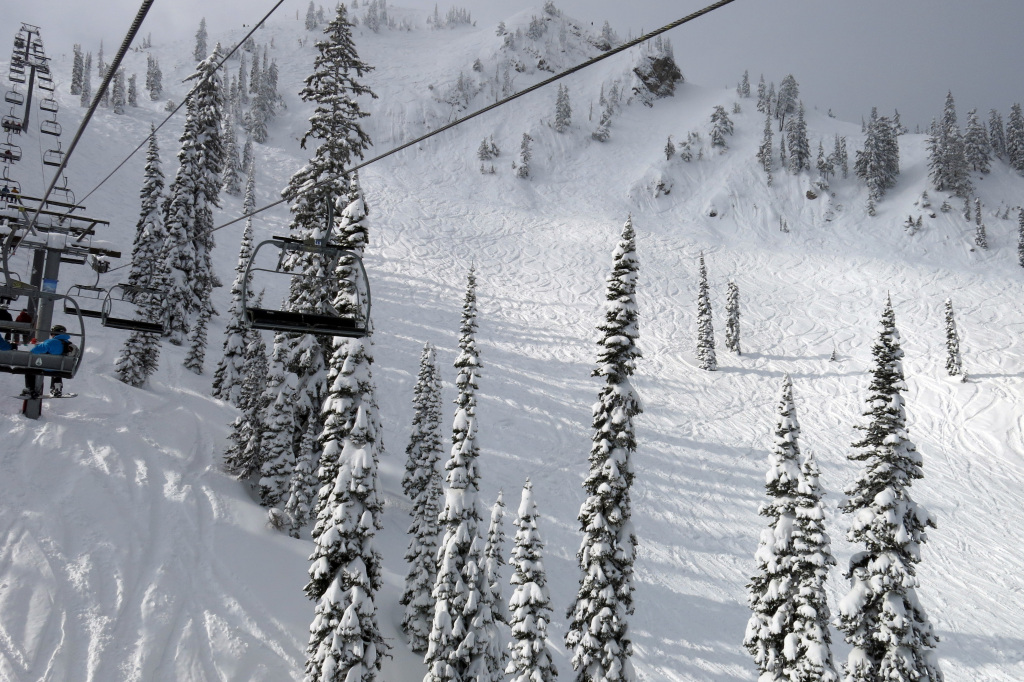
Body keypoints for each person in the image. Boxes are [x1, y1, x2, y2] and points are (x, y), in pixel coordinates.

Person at [28, 324, 76, 397]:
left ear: (54, 334)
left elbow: (34, 351)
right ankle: (57, 388)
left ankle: (31, 389)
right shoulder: (69, 344)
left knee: (30, 367)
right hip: (61, 369)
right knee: (58, 368)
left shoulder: (50, 342)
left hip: (45, 367)